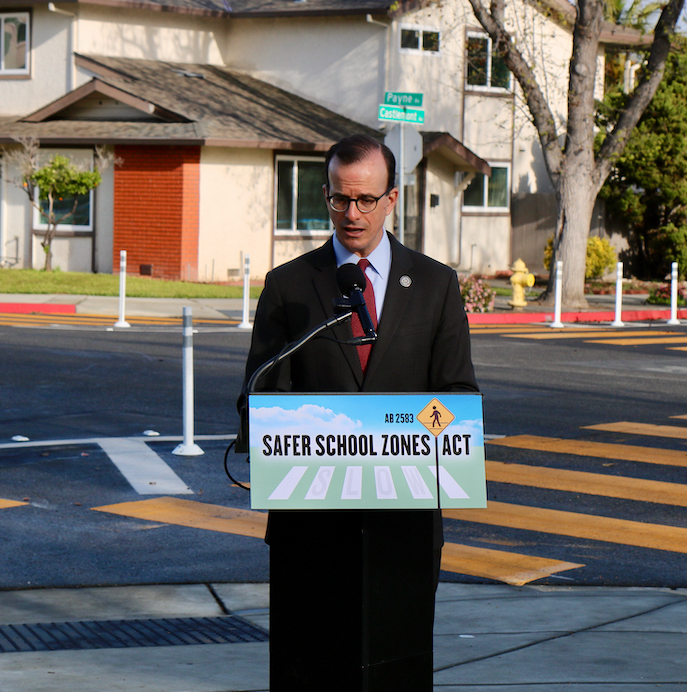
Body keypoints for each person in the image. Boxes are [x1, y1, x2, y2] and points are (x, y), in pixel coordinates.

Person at [238, 134, 478, 691]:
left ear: (392, 199)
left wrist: (394, 434)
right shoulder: (289, 286)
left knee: (396, 672)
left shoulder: (435, 285)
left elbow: (458, 396)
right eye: (341, 199)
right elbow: (258, 396)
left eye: (366, 200)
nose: (353, 214)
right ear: (326, 195)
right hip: (311, 530)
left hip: (405, 526)